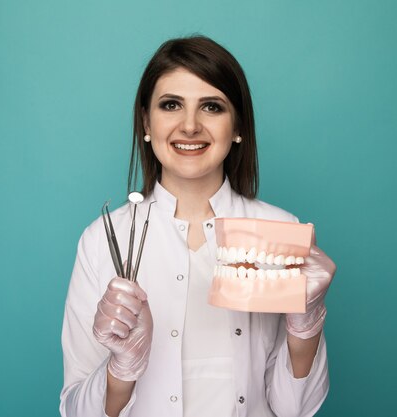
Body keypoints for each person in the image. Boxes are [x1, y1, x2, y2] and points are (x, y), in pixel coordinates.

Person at [60, 35, 336, 417]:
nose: (189, 126)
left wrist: (306, 327)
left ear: (237, 125)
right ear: (146, 121)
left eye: (211, 106)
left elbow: (294, 410)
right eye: (171, 105)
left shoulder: (278, 230)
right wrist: (121, 369)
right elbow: (77, 411)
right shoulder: (102, 241)